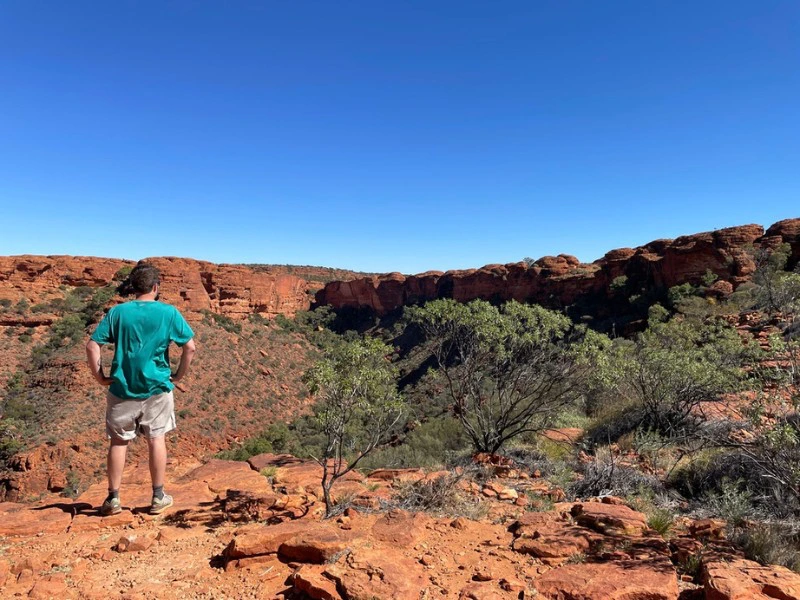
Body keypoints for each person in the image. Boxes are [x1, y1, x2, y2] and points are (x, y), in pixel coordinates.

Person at [86, 263, 196, 516]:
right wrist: (179, 375)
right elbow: (190, 347)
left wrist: (100, 377)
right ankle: (158, 497)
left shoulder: (118, 312)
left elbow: (92, 346)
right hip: (158, 388)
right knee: (156, 439)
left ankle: (113, 499)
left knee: (118, 442)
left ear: (134, 287)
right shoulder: (169, 312)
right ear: (155, 287)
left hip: (122, 388)